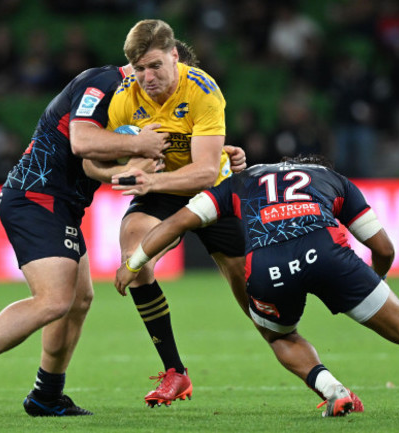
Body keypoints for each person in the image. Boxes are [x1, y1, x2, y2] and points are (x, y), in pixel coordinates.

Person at [0, 39, 246, 416]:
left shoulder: (131, 105)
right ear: (136, 65)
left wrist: (215, 154)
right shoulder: (101, 84)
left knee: (79, 301)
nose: (153, 80)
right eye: (147, 69)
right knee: (54, 300)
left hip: (62, 205)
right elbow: (82, 143)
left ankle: (46, 395)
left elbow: (128, 157)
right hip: (36, 196)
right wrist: (142, 149)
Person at [114, 154, 399, 417]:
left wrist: (134, 263)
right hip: (329, 255)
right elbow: (383, 247)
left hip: (270, 266)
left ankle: (334, 391)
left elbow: (176, 224)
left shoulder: (239, 183)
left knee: (279, 336)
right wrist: (373, 281)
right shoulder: (330, 178)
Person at [85, 19, 250, 408]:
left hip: (211, 191)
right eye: (139, 68)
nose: (147, 76)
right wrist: (121, 173)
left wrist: (147, 183)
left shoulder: (203, 90)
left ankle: (318, 374)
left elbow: (207, 170)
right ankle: (175, 372)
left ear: (175, 56)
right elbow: (91, 162)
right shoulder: (125, 97)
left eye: (155, 65)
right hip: (160, 190)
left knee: (256, 302)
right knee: (134, 256)